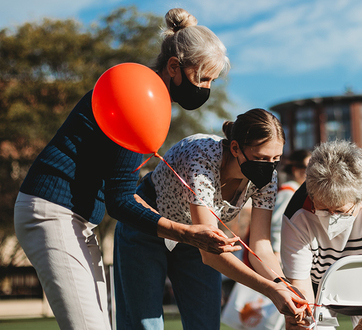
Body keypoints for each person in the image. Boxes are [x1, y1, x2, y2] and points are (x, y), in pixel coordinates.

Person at [13, 8, 239, 330]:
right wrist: (188, 233)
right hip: (52, 213)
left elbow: (119, 188)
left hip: (78, 219)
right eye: (202, 78)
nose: (206, 88)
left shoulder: (151, 96)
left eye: (212, 81)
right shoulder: (138, 95)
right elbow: (120, 200)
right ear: (174, 67)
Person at [114, 108, 307, 329]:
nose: (269, 167)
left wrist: (283, 286)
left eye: (275, 159)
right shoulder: (201, 157)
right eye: (261, 158)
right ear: (235, 148)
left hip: (198, 239)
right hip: (150, 227)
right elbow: (210, 254)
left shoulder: (267, 179)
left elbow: (260, 247)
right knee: (145, 324)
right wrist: (270, 290)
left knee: (205, 324)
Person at [280, 140, 362, 330]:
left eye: (341, 211)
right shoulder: (296, 215)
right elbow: (303, 296)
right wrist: (305, 321)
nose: (332, 217)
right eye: (324, 209)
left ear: (360, 200)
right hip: (319, 289)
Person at [270, 149, 311, 261]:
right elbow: (277, 225)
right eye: (309, 168)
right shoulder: (288, 192)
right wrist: (277, 253)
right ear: (296, 170)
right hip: (282, 256)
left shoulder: (296, 192)